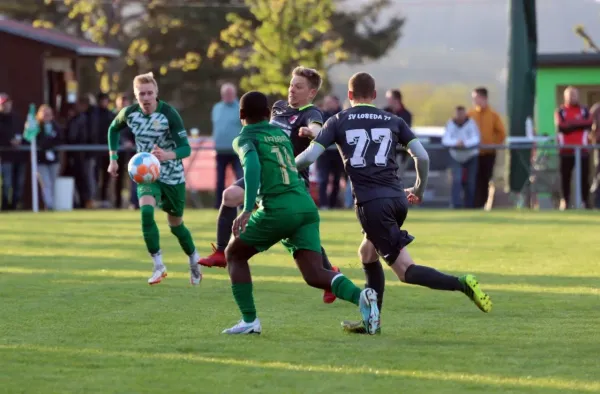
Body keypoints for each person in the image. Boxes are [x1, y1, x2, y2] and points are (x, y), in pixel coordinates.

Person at [295, 72, 493, 334]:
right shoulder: (392, 119)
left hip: (371, 204)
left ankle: (462, 283)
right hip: (397, 198)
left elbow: (310, 157)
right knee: (367, 253)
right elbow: (422, 157)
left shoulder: (339, 120)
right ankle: (371, 321)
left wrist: (283, 167)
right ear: (375, 95)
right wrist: (419, 190)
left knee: (405, 270)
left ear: (350, 96)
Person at [221, 91, 380, 335]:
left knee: (234, 254)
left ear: (241, 114)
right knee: (315, 274)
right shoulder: (280, 135)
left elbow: (252, 166)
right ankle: (362, 297)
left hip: (279, 208)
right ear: (267, 114)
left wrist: (246, 207)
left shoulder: (244, 138)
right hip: (305, 205)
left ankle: (249, 321)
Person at [199, 66, 340, 304]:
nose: (292, 90)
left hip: (290, 180)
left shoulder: (311, 112)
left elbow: (318, 128)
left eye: (299, 87)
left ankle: (330, 274)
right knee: (229, 195)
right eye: (291, 85)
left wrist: (312, 132)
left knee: (301, 237)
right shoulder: (279, 107)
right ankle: (222, 251)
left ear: (311, 93)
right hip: (264, 171)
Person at [107, 72, 203, 286]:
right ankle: (158, 265)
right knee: (146, 212)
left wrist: (167, 155)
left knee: (176, 225)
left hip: (172, 175)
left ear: (156, 93)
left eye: (150, 93)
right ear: (136, 95)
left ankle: (194, 259)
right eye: (142, 94)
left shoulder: (169, 114)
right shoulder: (129, 113)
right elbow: (113, 129)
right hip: (147, 173)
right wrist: (113, 159)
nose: (146, 98)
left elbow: (185, 148)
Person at [468, 87, 506, 209]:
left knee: (486, 179)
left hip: (489, 153)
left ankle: (484, 204)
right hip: (474, 153)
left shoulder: (493, 115)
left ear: (483, 98)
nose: (474, 100)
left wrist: (492, 144)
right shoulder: (470, 115)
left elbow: (501, 133)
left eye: (476, 98)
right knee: (474, 179)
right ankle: (473, 204)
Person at [442, 106, 481, 209]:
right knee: (456, 180)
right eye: (458, 114)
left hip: (471, 155)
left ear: (465, 113)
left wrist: (465, 144)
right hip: (456, 156)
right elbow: (445, 139)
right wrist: (456, 143)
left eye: (462, 113)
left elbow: (476, 138)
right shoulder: (450, 124)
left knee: (470, 181)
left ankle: (469, 206)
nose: (460, 116)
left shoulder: (471, 123)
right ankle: (456, 205)